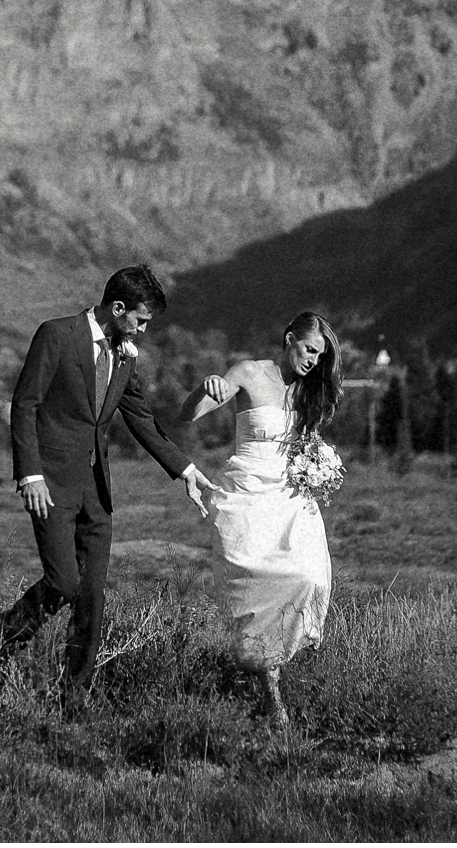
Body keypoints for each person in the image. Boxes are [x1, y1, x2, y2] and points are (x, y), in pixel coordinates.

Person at [0, 265, 218, 717]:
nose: (144, 330)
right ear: (117, 308)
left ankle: (74, 698)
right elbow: (26, 404)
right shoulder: (56, 335)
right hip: (50, 485)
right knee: (63, 583)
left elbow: (140, 418)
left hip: (98, 492)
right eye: (140, 320)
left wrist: (185, 469)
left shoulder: (125, 354)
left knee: (92, 594)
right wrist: (29, 473)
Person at [181, 310, 340, 724]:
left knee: (310, 577)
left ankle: (275, 666)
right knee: (258, 584)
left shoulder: (306, 391)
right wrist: (206, 387)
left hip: (290, 497)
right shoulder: (250, 373)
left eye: (320, 356)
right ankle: (272, 694)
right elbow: (188, 414)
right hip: (250, 493)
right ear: (289, 339)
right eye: (308, 349)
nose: (312, 361)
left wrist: (316, 466)